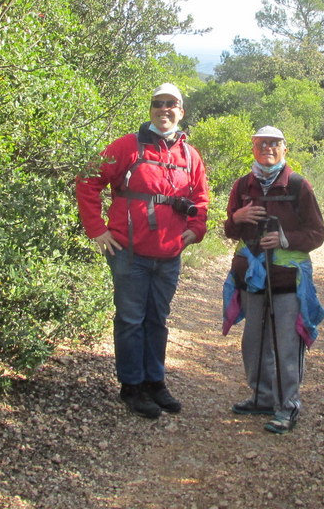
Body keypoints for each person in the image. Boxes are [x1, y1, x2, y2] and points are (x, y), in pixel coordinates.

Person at [76, 83, 209, 418]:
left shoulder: (189, 155)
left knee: (157, 320)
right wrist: (97, 229)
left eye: (172, 104)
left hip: (169, 255)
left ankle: (155, 382)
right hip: (128, 253)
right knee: (131, 319)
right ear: (150, 109)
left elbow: (201, 199)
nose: (164, 110)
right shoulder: (126, 147)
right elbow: (88, 180)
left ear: (182, 111)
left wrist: (195, 230)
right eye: (157, 104)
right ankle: (132, 386)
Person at [222, 126, 324, 434]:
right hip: (252, 278)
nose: (267, 148)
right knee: (253, 340)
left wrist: (284, 239)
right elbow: (229, 231)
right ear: (253, 148)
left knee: (285, 343)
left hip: (287, 280)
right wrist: (236, 220)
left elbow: (318, 233)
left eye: (273, 144)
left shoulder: (297, 186)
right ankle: (262, 397)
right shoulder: (243, 186)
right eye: (260, 143)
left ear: (285, 149)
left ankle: (287, 406)